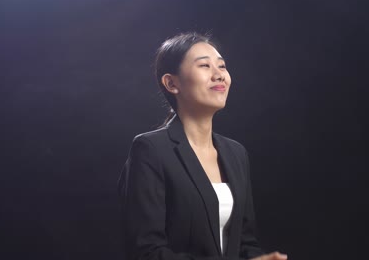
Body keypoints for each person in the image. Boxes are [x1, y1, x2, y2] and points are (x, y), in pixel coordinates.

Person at [118, 32, 287, 260]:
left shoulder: (236, 153)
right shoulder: (150, 149)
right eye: (205, 66)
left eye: (222, 66)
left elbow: (245, 243)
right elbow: (146, 251)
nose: (220, 76)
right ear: (171, 83)